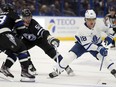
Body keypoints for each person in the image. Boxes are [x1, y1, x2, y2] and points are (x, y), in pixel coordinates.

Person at [1, 9, 74, 76]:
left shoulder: (33, 23)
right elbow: (14, 36)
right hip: (27, 41)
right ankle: (30, 67)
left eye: (29, 17)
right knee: (22, 49)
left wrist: (50, 38)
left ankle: (66, 67)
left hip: (40, 40)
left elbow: (43, 32)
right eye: (25, 17)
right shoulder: (18, 24)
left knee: (52, 52)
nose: (27, 19)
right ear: (22, 17)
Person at [49, 9, 116, 78]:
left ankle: (114, 71)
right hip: (82, 45)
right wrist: (99, 48)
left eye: (93, 19)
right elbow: (88, 46)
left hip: (96, 44)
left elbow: (109, 30)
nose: (92, 21)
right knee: (70, 56)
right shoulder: (82, 30)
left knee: (104, 57)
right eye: (89, 19)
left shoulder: (99, 23)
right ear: (85, 19)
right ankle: (58, 70)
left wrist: (110, 36)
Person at [0, 3, 35, 82]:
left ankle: (5, 68)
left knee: (13, 52)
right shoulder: (12, 14)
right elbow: (21, 28)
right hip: (3, 35)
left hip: (3, 36)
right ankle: (25, 73)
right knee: (21, 48)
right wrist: (18, 38)